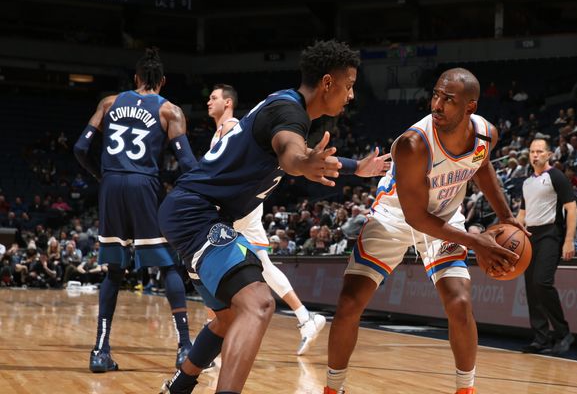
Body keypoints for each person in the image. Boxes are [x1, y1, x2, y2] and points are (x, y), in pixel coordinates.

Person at [158, 40, 389, 394]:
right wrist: (300, 164)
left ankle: (179, 386)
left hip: (193, 212)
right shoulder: (289, 114)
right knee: (260, 302)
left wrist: (357, 167)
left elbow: (300, 151)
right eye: (349, 85)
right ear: (328, 83)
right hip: (197, 213)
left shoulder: (289, 107)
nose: (352, 95)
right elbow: (292, 154)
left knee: (228, 317)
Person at [325, 68, 521, 394]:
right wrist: (477, 241)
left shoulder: (486, 134)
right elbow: (416, 218)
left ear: (470, 107)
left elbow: (481, 166)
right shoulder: (413, 144)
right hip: (395, 218)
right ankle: (333, 388)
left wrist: (507, 217)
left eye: (449, 99)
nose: (437, 104)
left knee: (459, 304)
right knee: (348, 303)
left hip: (444, 219)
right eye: (436, 95)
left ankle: (465, 389)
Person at [73, 48, 197, 373]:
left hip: (111, 185)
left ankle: (100, 351)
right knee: (168, 265)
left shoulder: (109, 103)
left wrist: (101, 175)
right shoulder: (170, 111)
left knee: (114, 270)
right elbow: (187, 164)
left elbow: (80, 147)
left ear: (136, 78)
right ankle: (185, 348)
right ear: (163, 81)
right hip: (145, 185)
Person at [206, 83, 326, 355]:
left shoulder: (230, 127)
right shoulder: (219, 131)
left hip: (240, 205)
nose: (208, 102)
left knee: (212, 260)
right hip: (243, 204)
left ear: (228, 103)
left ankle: (215, 330)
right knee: (261, 264)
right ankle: (305, 317)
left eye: (213, 98)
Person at [516, 138, 577, 355]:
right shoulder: (526, 182)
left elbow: (571, 208)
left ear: (549, 154)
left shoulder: (556, 176)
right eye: (532, 151)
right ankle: (541, 338)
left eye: (540, 151)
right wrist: (513, 237)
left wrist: (568, 240)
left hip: (550, 234)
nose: (535, 155)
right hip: (530, 236)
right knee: (532, 288)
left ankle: (563, 333)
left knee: (542, 282)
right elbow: (522, 215)